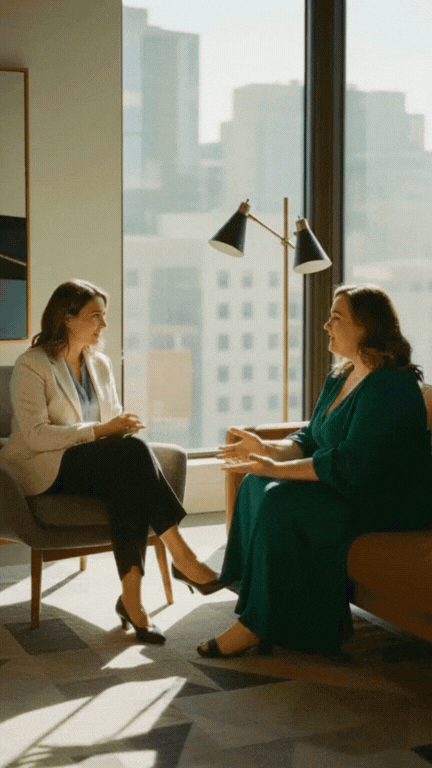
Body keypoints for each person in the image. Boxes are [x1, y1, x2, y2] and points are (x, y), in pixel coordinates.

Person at [198, 285, 432, 658]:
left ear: (366, 327)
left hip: (383, 501)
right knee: (256, 483)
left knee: (282, 502)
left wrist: (279, 468)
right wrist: (268, 450)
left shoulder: (391, 385)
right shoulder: (341, 376)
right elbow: (311, 436)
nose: (325, 325)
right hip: (346, 487)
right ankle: (255, 600)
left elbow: (350, 464)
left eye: (336, 318)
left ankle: (257, 626)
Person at [0, 279, 228, 645]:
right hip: (44, 467)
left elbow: (111, 418)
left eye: (104, 317)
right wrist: (102, 429)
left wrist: (117, 427)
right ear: (66, 317)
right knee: (134, 456)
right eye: (95, 316)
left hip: (91, 464)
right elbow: (37, 436)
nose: (103, 326)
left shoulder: (100, 364)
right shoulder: (32, 365)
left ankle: (133, 601)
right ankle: (182, 558)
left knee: (131, 472)